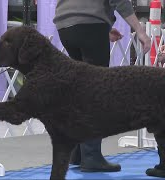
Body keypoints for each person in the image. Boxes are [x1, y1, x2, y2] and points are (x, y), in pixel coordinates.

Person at [53, 0, 152, 174]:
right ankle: (91, 156)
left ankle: (77, 153)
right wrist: (140, 31)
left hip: (65, 25)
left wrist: (101, 31)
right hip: (91, 23)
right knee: (95, 91)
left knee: (79, 91)